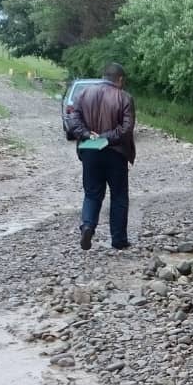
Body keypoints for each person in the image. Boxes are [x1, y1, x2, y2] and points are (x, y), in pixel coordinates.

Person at [67, 63, 136, 250]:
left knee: (92, 193)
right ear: (120, 79)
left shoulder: (84, 94)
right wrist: (105, 137)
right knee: (119, 195)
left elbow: (73, 119)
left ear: (103, 76)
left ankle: (88, 225)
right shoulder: (125, 98)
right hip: (116, 152)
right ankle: (119, 240)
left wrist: (88, 135)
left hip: (90, 150)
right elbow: (126, 129)